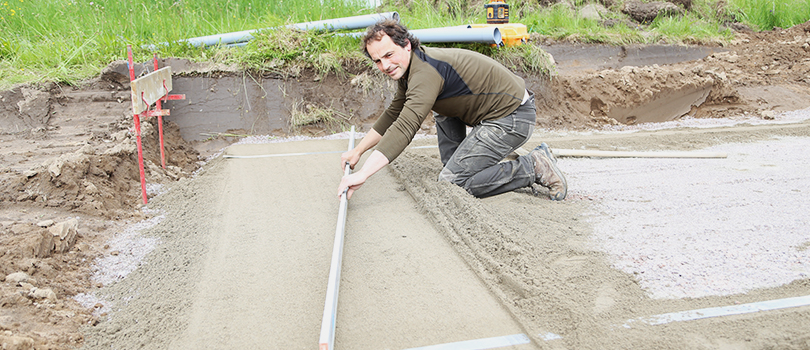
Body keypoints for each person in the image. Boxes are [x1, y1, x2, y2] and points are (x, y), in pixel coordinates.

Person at [337, 19, 567, 201]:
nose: (385, 66)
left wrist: (363, 174)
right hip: (494, 112)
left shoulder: (425, 72)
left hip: (512, 117)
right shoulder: (413, 66)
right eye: (377, 61)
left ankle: (533, 166)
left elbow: (406, 125)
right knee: (442, 115)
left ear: (406, 45)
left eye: (388, 55)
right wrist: (359, 150)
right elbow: (394, 113)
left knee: (453, 182)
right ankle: (460, 163)